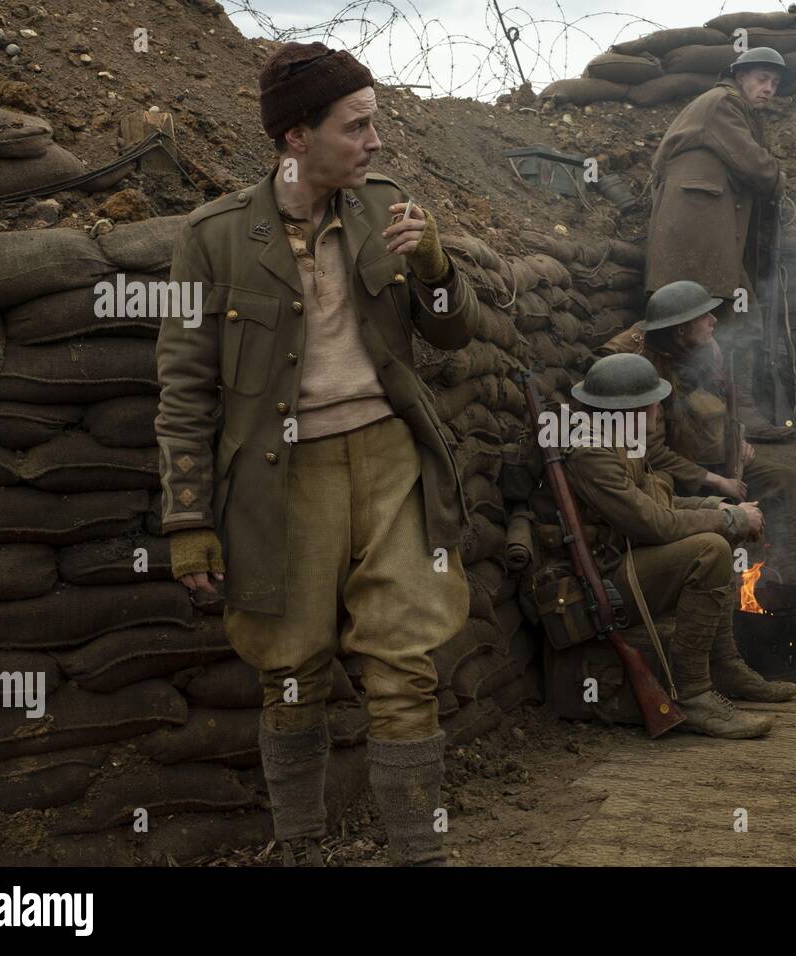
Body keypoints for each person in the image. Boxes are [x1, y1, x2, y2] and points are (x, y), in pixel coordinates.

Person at [155, 42, 479, 865]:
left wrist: (438, 266)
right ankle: (300, 847)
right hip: (280, 477)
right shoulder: (215, 239)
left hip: (387, 461)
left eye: (375, 123)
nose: (375, 142)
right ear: (296, 138)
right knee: (290, 668)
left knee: (405, 663)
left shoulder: (388, 206)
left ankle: (418, 851)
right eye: (356, 126)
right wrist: (188, 518)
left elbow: (450, 332)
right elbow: (185, 388)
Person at [561, 353, 796, 737]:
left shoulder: (620, 441)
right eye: (652, 401)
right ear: (630, 409)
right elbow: (655, 524)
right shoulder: (593, 454)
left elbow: (659, 502)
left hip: (622, 562)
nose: (659, 407)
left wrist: (717, 507)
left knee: (718, 532)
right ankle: (693, 695)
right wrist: (730, 519)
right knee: (711, 549)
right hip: (598, 584)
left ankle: (725, 667)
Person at [598, 280, 796, 640]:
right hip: (664, 474)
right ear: (681, 328)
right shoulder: (636, 364)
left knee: (782, 479)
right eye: (705, 317)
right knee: (715, 514)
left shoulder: (699, 346)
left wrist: (738, 439)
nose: (714, 321)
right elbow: (648, 452)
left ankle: (793, 595)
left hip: (705, 456)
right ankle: (727, 609)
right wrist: (716, 482)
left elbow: (718, 408)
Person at [645, 47, 794, 441]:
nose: (768, 89)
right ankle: (724, 420)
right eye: (761, 79)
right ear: (739, 76)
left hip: (703, 241)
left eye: (774, 83)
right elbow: (756, 167)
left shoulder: (732, 109)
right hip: (696, 241)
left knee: (733, 318)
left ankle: (725, 420)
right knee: (713, 323)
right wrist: (780, 180)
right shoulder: (723, 104)